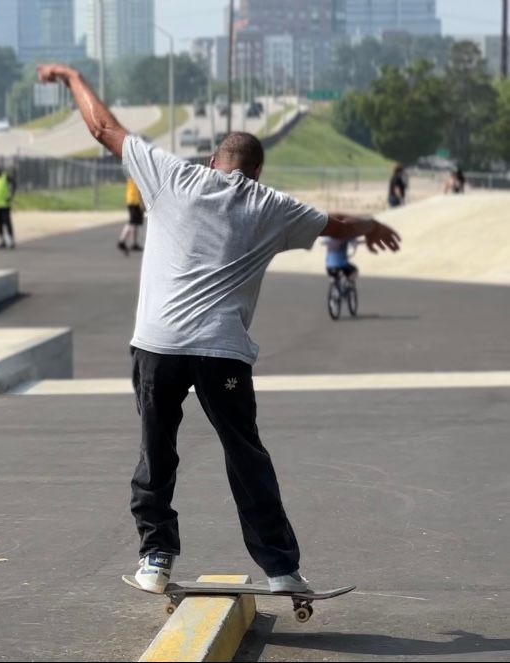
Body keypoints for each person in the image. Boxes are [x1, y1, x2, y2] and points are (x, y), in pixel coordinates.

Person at [38, 62, 401, 594]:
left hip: (159, 346)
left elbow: (103, 128)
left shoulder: (172, 175)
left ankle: (156, 558)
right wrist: (373, 225)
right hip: (222, 352)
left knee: (156, 450)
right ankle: (281, 569)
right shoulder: (271, 205)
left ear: (212, 162)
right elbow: (340, 223)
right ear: (255, 173)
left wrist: (71, 77)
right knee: (244, 453)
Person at [0, 163, 16, 249]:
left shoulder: (5, 177)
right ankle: (1, 239)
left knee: (7, 222)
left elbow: (14, 184)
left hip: (5, 204)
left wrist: (11, 195)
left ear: (0, 169)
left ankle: (10, 239)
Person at [118, 177, 145, 255]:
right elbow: (138, 191)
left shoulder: (132, 175)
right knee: (132, 222)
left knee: (134, 223)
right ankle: (122, 241)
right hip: (134, 201)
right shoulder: (136, 176)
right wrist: (141, 203)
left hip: (132, 200)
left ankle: (134, 243)